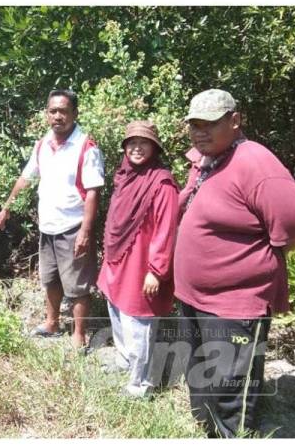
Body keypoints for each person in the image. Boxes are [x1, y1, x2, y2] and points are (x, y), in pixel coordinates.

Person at [174, 89, 295, 437]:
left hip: (234, 303)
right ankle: (206, 430)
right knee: (202, 374)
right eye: (194, 125)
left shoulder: (254, 161)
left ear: (235, 120)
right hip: (194, 297)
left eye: (210, 124)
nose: (200, 132)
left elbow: (292, 223)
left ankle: (235, 435)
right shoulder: (209, 159)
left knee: (232, 385)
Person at [0, 89, 104, 348]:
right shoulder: (42, 144)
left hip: (73, 226)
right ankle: (52, 323)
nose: (58, 116)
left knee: (78, 285)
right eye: (53, 111)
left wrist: (86, 231)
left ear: (75, 113)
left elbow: (93, 191)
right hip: (48, 225)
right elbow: (26, 178)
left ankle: (79, 335)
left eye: (63, 111)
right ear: (46, 114)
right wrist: (6, 207)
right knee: (50, 278)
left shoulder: (86, 146)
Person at [97, 120, 179, 398]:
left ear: (154, 148)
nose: (136, 148)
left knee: (139, 320)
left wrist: (156, 270)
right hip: (118, 257)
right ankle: (124, 360)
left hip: (142, 264)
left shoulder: (162, 182)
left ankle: (140, 384)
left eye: (144, 143)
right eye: (131, 142)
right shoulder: (125, 175)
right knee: (116, 309)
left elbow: (166, 230)